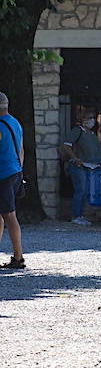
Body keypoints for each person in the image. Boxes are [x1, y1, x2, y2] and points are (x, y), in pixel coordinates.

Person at [61, 107, 101, 226]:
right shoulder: (77, 131)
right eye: (89, 118)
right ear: (82, 119)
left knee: (85, 191)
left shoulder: (92, 134)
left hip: (88, 166)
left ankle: (81, 215)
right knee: (80, 190)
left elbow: (97, 151)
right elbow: (66, 145)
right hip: (78, 166)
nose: (92, 120)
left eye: (93, 118)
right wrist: (74, 158)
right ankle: (75, 215)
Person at [0, 92, 25, 269]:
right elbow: (21, 150)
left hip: (3, 175)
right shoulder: (15, 123)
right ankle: (17, 256)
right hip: (15, 171)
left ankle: (18, 257)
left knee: (9, 215)